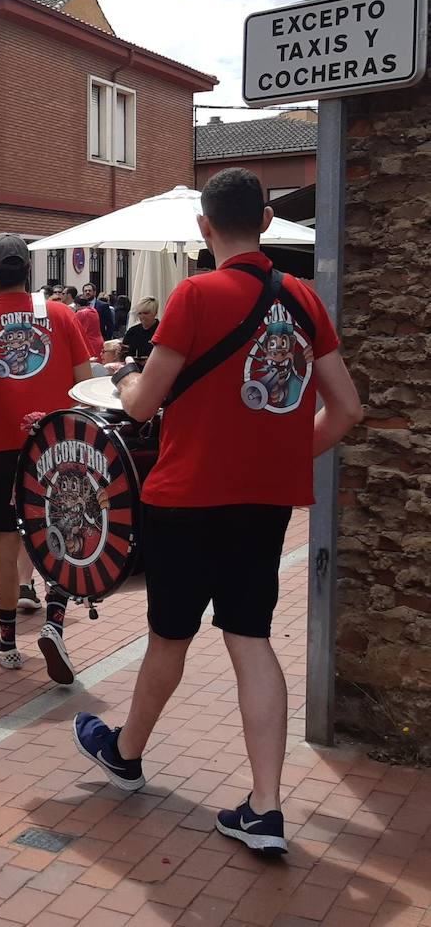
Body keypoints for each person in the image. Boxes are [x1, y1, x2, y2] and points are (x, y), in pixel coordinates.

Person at [72, 168, 361, 852]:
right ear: (264, 220)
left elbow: (142, 405)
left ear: (204, 228)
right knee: (250, 638)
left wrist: (125, 374)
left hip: (186, 498)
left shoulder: (194, 294)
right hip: (263, 505)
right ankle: (265, 808)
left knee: (170, 636)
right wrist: (287, 458)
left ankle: (126, 751)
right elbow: (346, 408)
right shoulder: (303, 299)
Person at [0, 234, 93, 683]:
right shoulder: (61, 314)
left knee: (6, 549)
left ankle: (8, 642)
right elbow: (85, 384)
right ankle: (53, 621)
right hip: (55, 443)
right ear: (28, 272)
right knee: (62, 536)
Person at [72, 286, 106, 360]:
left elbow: (75, 329)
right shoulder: (93, 311)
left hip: (88, 343)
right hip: (98, 341)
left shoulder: (81, 313)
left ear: (77, 305)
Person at [123, 297, 160, 364]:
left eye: (146, 313)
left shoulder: (161, 331)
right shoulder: (132, 331)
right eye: (140, 313)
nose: (142, 316)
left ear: (155, 313)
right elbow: (124, 353)